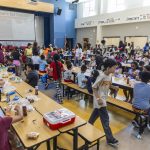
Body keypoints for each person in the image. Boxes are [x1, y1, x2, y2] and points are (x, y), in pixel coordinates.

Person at [89, 59, 119, 146]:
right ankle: (110, 139)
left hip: (103, 99)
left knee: (95, 114)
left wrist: (114, 87)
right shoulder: (101, 76)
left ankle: (88, 125)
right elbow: (94, 87)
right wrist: (98, 99)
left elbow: (108, 84)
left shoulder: (109, 75)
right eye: (114, 68)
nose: (115, 70)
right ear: (108, 67)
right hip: (100, 100)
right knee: (105, 120)